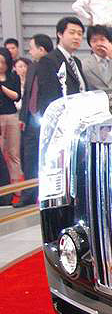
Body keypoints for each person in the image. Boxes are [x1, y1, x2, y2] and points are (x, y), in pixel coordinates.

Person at [16, 34, 53, 206]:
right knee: (29, 159)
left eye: (31, 48)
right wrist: (23, 118)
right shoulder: (32, 67)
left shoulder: (53, 66)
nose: (29, 52)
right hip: (31, 121)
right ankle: (29, 195)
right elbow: (27, 95)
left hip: (48, 120)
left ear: (41, 49)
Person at [36, 17, 89, 118]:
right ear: (60, 34)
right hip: (62, 118)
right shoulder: (48, 61)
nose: (76, 37)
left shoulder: (76, 62)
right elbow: (48, 95)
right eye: (72, 32)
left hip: (80, 117)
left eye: (80, 34)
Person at [0, 46, 22, 203]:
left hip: (11, 115)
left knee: (14, 153)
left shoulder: (13, 77)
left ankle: (17, 188)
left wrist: (2, 87)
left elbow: (16, 96)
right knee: (1, 155)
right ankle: (4, 188)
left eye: (3, 62)